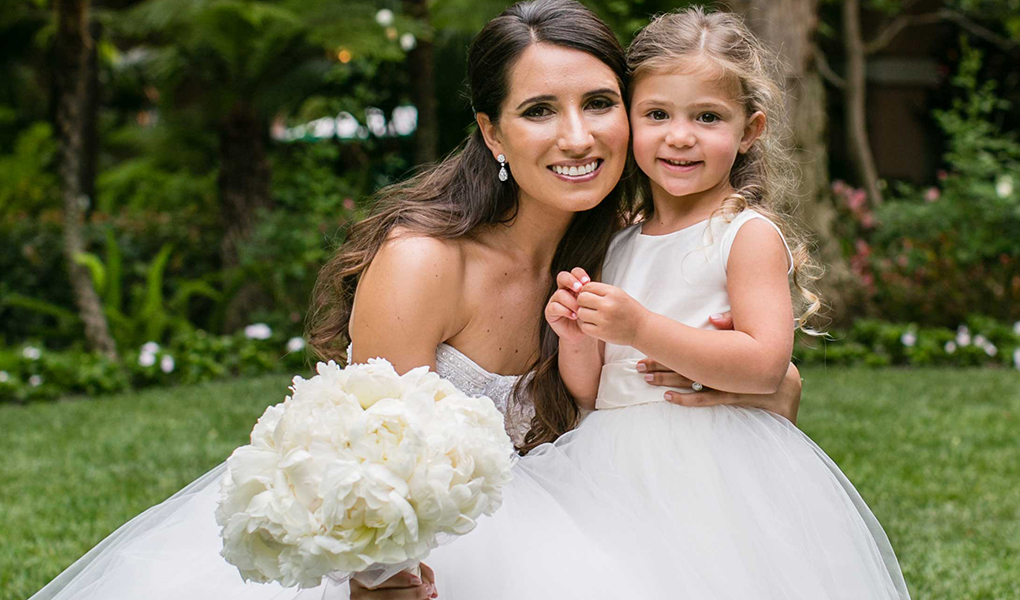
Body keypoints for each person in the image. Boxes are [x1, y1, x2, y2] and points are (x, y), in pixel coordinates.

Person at [27, 2, 802, 600]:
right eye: (538, 111)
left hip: (594, 514)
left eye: (600, 102)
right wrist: (375, 574)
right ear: (492, 134)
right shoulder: (424, 261)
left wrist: (759, 382)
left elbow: (733, 371)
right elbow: (365, 457)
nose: (577, 137)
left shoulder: (622, 250)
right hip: (431, 552)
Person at [423, 6, 913, 599]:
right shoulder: (618, 238)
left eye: (707, 117)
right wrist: (579, 334)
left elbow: (765, 363)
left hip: (711, 462)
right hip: (609, 460)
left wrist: (642, 326)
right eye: (657, 114)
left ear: (750, 130)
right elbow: (588, 388)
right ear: (631, 120)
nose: (680, 136)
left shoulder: (744, 234)